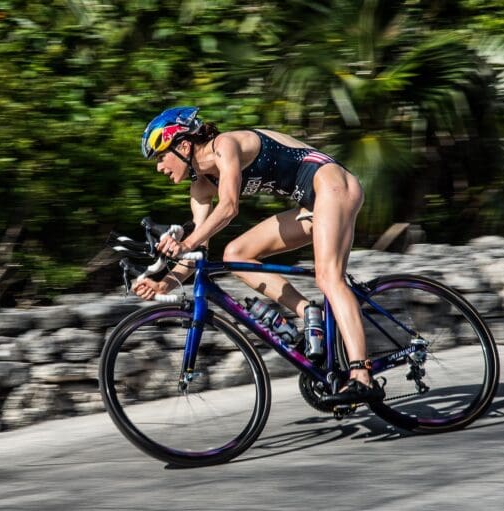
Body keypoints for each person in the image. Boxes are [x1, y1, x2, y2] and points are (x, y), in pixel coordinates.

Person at [132, 106, 383, 404]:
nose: (160, 167)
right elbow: (199, 247)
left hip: (332, 183)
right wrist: (166, 284)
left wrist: (185, 243)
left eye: (161, 157)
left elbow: (228, 207)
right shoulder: (200, 186)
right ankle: (307, 313)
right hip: (312, 204)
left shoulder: (225, 146)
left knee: (329, 277)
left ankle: (361, 375)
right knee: (235, 253)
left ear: (184, 145)